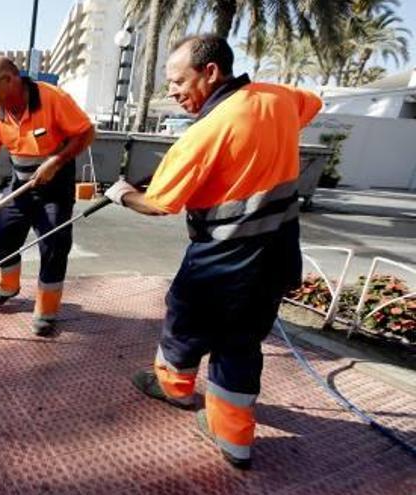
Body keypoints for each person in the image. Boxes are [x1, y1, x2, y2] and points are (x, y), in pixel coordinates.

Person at [103, 34, 323, 469]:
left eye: (178, 81)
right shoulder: (279, 97)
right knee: (242, 341)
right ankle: (233, 439)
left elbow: (159, 203)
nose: (172, 91)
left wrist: (122, 193)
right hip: (278, 253)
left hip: (222, 256)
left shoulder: (205, 133)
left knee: (184, 320)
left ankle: (174, 388)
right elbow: (311, 104)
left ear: (210, 72)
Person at [0, 56, 95, 336]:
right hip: (20, 183)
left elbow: (86, 133)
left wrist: (56, 162)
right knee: (2, 236)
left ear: (9, 80)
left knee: (54, 244)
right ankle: (8, 287)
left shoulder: (52, 98)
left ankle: (46, 310)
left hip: (55, 186)